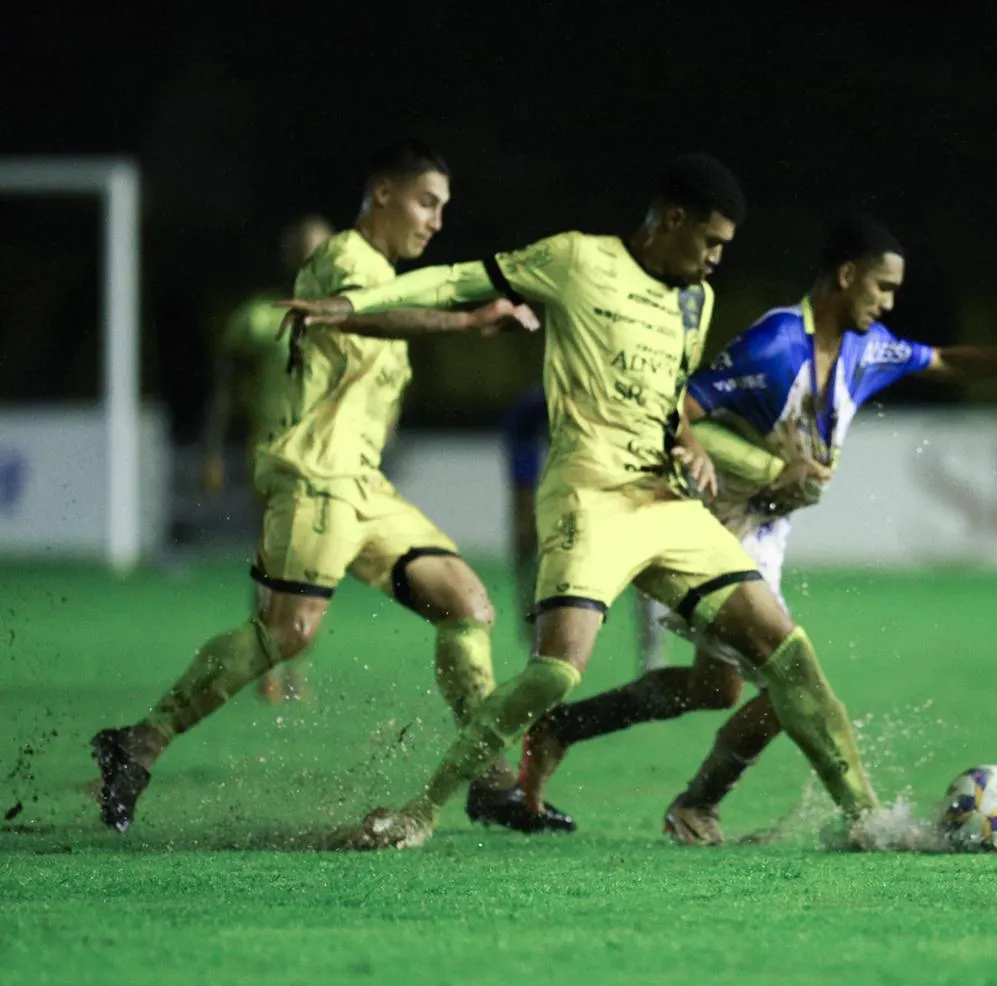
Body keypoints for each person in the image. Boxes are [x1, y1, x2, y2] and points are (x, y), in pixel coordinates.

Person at [282, 153, 885, 851]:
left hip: (666, 503)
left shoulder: (696, 300)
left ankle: (866, 818)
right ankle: (420, 813)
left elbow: (670, 409)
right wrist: (350, 304)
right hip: (589, 499)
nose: (718, 259)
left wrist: (693, 444)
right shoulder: (573, 260)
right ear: (673, 220)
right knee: (552, 674)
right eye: (712, 241)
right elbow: (455, 280)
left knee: (788, 653)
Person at [516, 215, 997, 845]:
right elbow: (677, 407)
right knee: (790, 682)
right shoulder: (774, 347)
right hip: (719, 525)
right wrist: (741, 462)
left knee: (715, 688)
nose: (889, 303)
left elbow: (945, 361)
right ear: (846, 276)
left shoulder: (865, 348)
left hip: (767, 533)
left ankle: (561, 730)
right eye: (882, 287)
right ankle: (720, 807)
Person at [89, 138, 570, 836]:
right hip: (315, 478)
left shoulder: (384, 273)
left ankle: (492, 781)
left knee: (468, 605)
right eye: (425, 202)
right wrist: (465, 321)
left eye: (443, 208)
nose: (436, 220)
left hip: (364, 490)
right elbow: (360, 312)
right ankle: (137, 744)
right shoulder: (346, 259)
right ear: (382, 193)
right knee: (287, 632)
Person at [202, 214, 333, 703]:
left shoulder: (344, 319)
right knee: (275, 563)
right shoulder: (257, 317)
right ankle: (272, 666)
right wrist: (213, 449)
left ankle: (293, 663)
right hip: (272, 457)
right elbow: (223, 389)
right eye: (303, 249)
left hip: (326, 462)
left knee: (312, 569)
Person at [502, 385, 667, 673]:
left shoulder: (626, 404)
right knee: (531, 541)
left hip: (617, 483)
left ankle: (652, 652)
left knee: (644, 549)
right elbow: (523, 493)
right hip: (562, 489)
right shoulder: (531, 412)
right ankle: (539, 648)